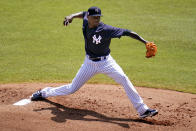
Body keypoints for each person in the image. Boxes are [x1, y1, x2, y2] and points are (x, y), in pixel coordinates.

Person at [31, 6, 158, 118]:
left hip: (106, 62)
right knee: (71, 88)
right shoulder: (86, 21)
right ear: (89, 17)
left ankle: (142, 110)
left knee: (124, 78)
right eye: (95, 17)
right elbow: (83, 13)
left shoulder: (106, 29)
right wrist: (71, 16)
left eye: (99, 17)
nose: (97, 19)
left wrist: (145, 42)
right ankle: (44, 93)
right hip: (89, 64)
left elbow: (127, 32)